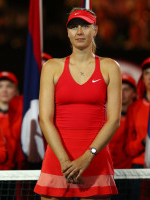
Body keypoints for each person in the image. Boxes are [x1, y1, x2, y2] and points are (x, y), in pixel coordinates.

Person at [34, 8, 121, 199]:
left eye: (85, 26)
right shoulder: (51, 67)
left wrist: (88, 156)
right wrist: (65, 162)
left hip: (95, 158)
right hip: (58, 159)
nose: (79, 31)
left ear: (95, 30)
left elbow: (114, 120)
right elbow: (45, 119)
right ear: (67, 33)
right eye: (73, 27)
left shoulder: (110, 67)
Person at [125, 57, 150, 199]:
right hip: (139, 167)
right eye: (147, 73)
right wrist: (143, 143)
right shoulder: (134, 108)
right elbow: (128, 148)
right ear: (142, 77)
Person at [0, 71, 25, 170]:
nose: (4, 90)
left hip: (19, 170)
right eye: (0, 86)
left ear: (15, 90)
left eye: (9, 86)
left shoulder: (24, 117)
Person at [109, 73, 136, 169]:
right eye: (119, 89)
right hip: (107, 172)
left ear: (134, 93)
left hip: (131, 174)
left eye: (126, 89)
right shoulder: (105, 118)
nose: (122, 93)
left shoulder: (139, 119)